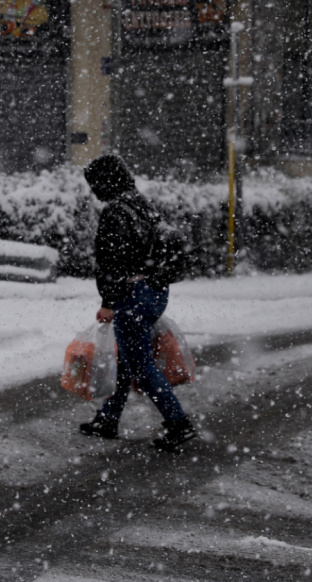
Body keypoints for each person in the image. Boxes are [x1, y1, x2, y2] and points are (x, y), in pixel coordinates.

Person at [78, 154, 196, 452]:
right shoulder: (141, 204)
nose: (93, 191)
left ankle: (178, 423)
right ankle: (108, 418)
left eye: (95, 184)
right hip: (154, 290)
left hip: (132, 293)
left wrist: (108, 301)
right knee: (127, 359)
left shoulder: (116, 212)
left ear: (107, 182)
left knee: (141, 366)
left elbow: (112, 262)